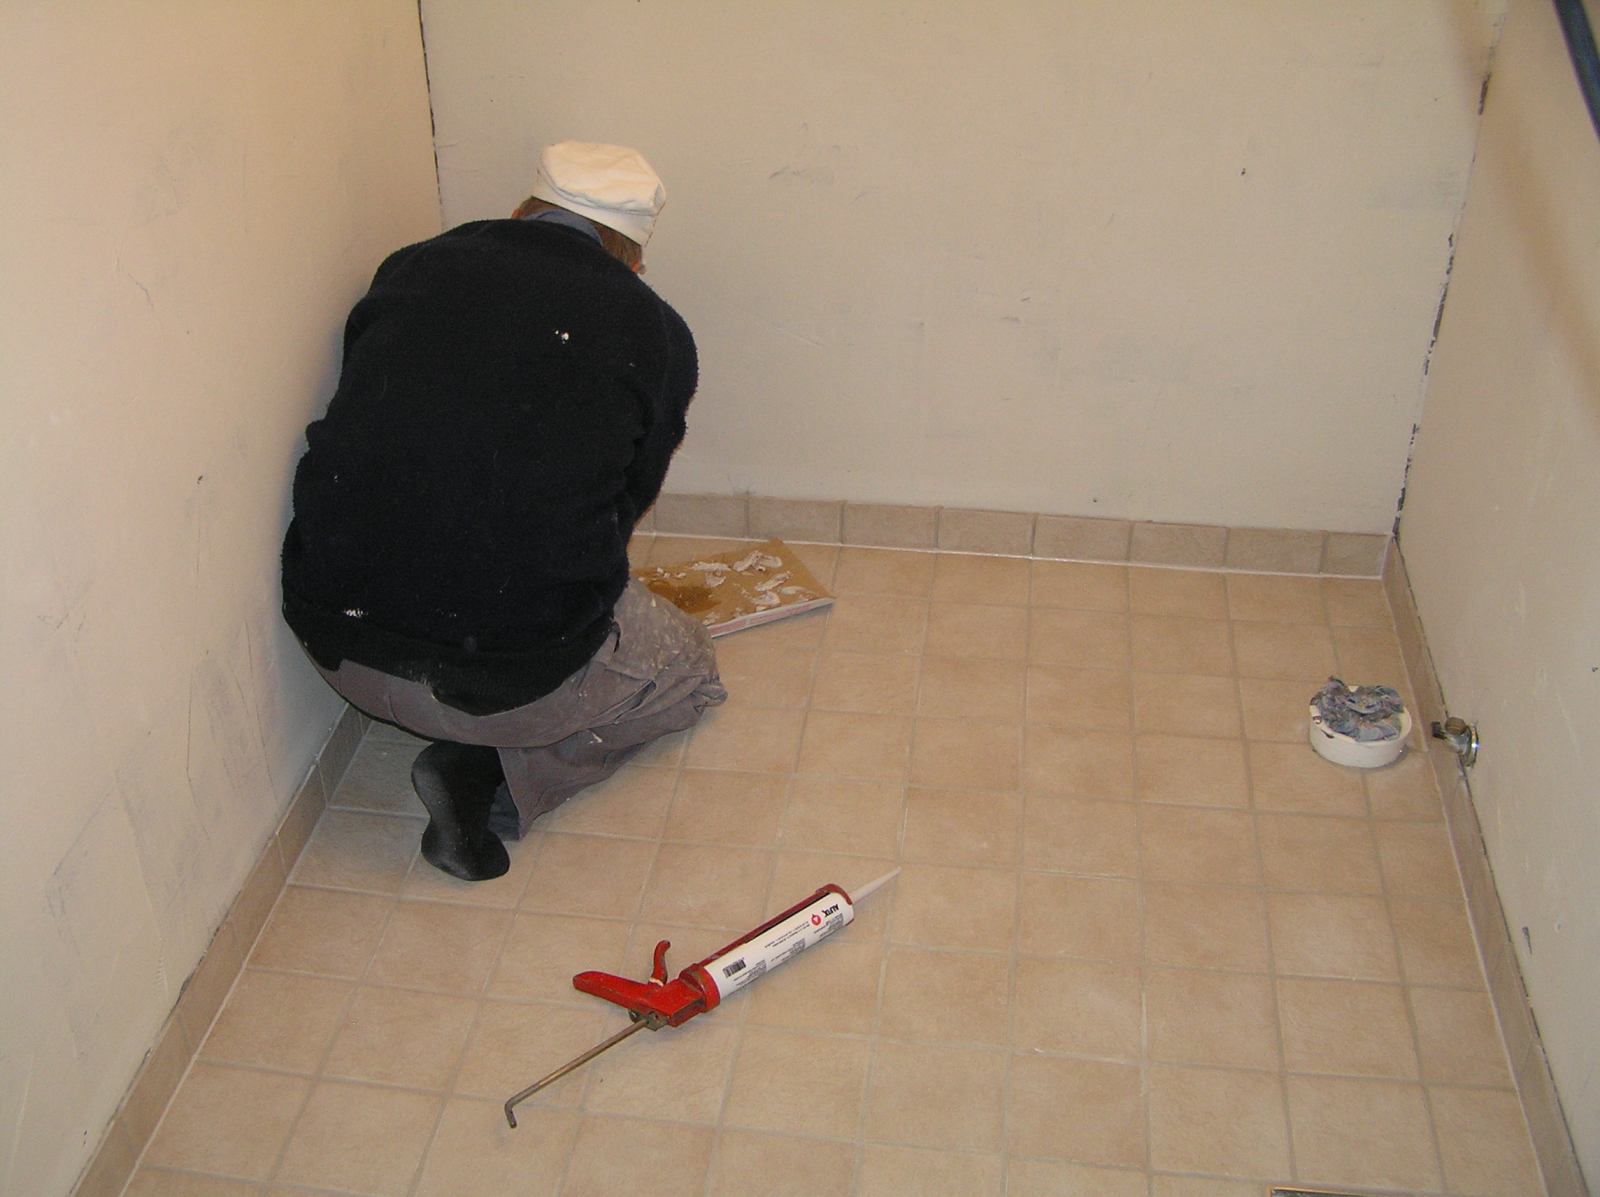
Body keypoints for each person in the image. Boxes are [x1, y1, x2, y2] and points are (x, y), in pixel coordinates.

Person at [281, 141, 726, 881]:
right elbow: (624, 505)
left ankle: (478, 743)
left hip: (336, 640)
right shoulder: (655, 333)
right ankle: (488, 775)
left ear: (522, 211)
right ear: (632, 258)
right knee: (688, 668)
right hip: (503, 685)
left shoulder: (411, 268)